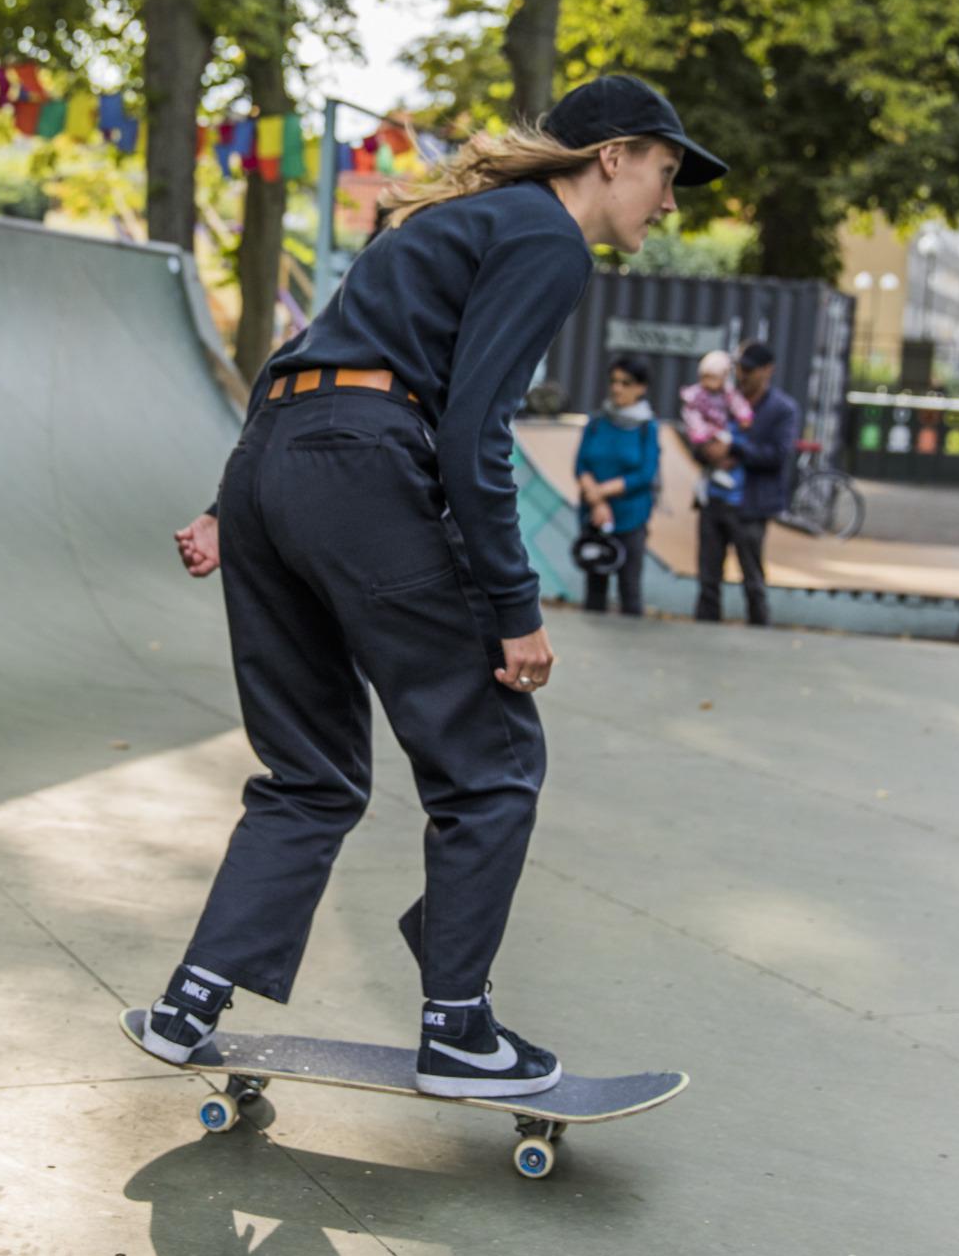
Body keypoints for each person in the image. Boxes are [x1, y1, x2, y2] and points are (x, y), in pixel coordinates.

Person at [152, 76, 726, 1097]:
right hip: (365, 470)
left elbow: (302, 356)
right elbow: (471, 434)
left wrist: (230, 505)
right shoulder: (547, 239)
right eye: (666, 173)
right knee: (492, 761)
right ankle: (457, 1029)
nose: (668, 202)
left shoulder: (450, 220)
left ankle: (191, 998)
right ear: (612, 156)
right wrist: (513, 611)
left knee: (310, 772)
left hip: (273, 458)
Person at [694, 341, 799, 626]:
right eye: (739, 368)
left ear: (768, 370)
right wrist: (707, 450)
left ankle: (758, 632)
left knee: (753, 581)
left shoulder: (782, 409)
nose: (742, 375)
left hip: (750, 506)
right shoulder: (719, 399)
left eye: (749, 370)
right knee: (707, 581)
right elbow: (697, 436)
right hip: (714, 500)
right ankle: (703, 637)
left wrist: (735, 450)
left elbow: (778, 456)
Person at [574, 354, 661, 616]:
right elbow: (581, 466)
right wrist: (598, 503)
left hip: (631, 518)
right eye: (614, 381)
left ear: (641, 388)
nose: (617, 388)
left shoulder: (647, 428)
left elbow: (645, 474)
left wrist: (601, 492)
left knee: (629, 590)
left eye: (626, 382)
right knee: (594, 590)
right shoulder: (597, 422)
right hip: (594, 517)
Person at [680, 350, 753, 492]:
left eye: (714, 378)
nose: (709, 383)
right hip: (704, 431)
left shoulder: (727, 393)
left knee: (725, 444)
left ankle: (716, 473)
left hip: (720, 429)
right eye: (706, 378)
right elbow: (691, 414)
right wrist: (699, 432)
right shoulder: (696, 395)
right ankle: (708, 478)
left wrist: (745, 416)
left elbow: (738, 404)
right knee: (711, 452)